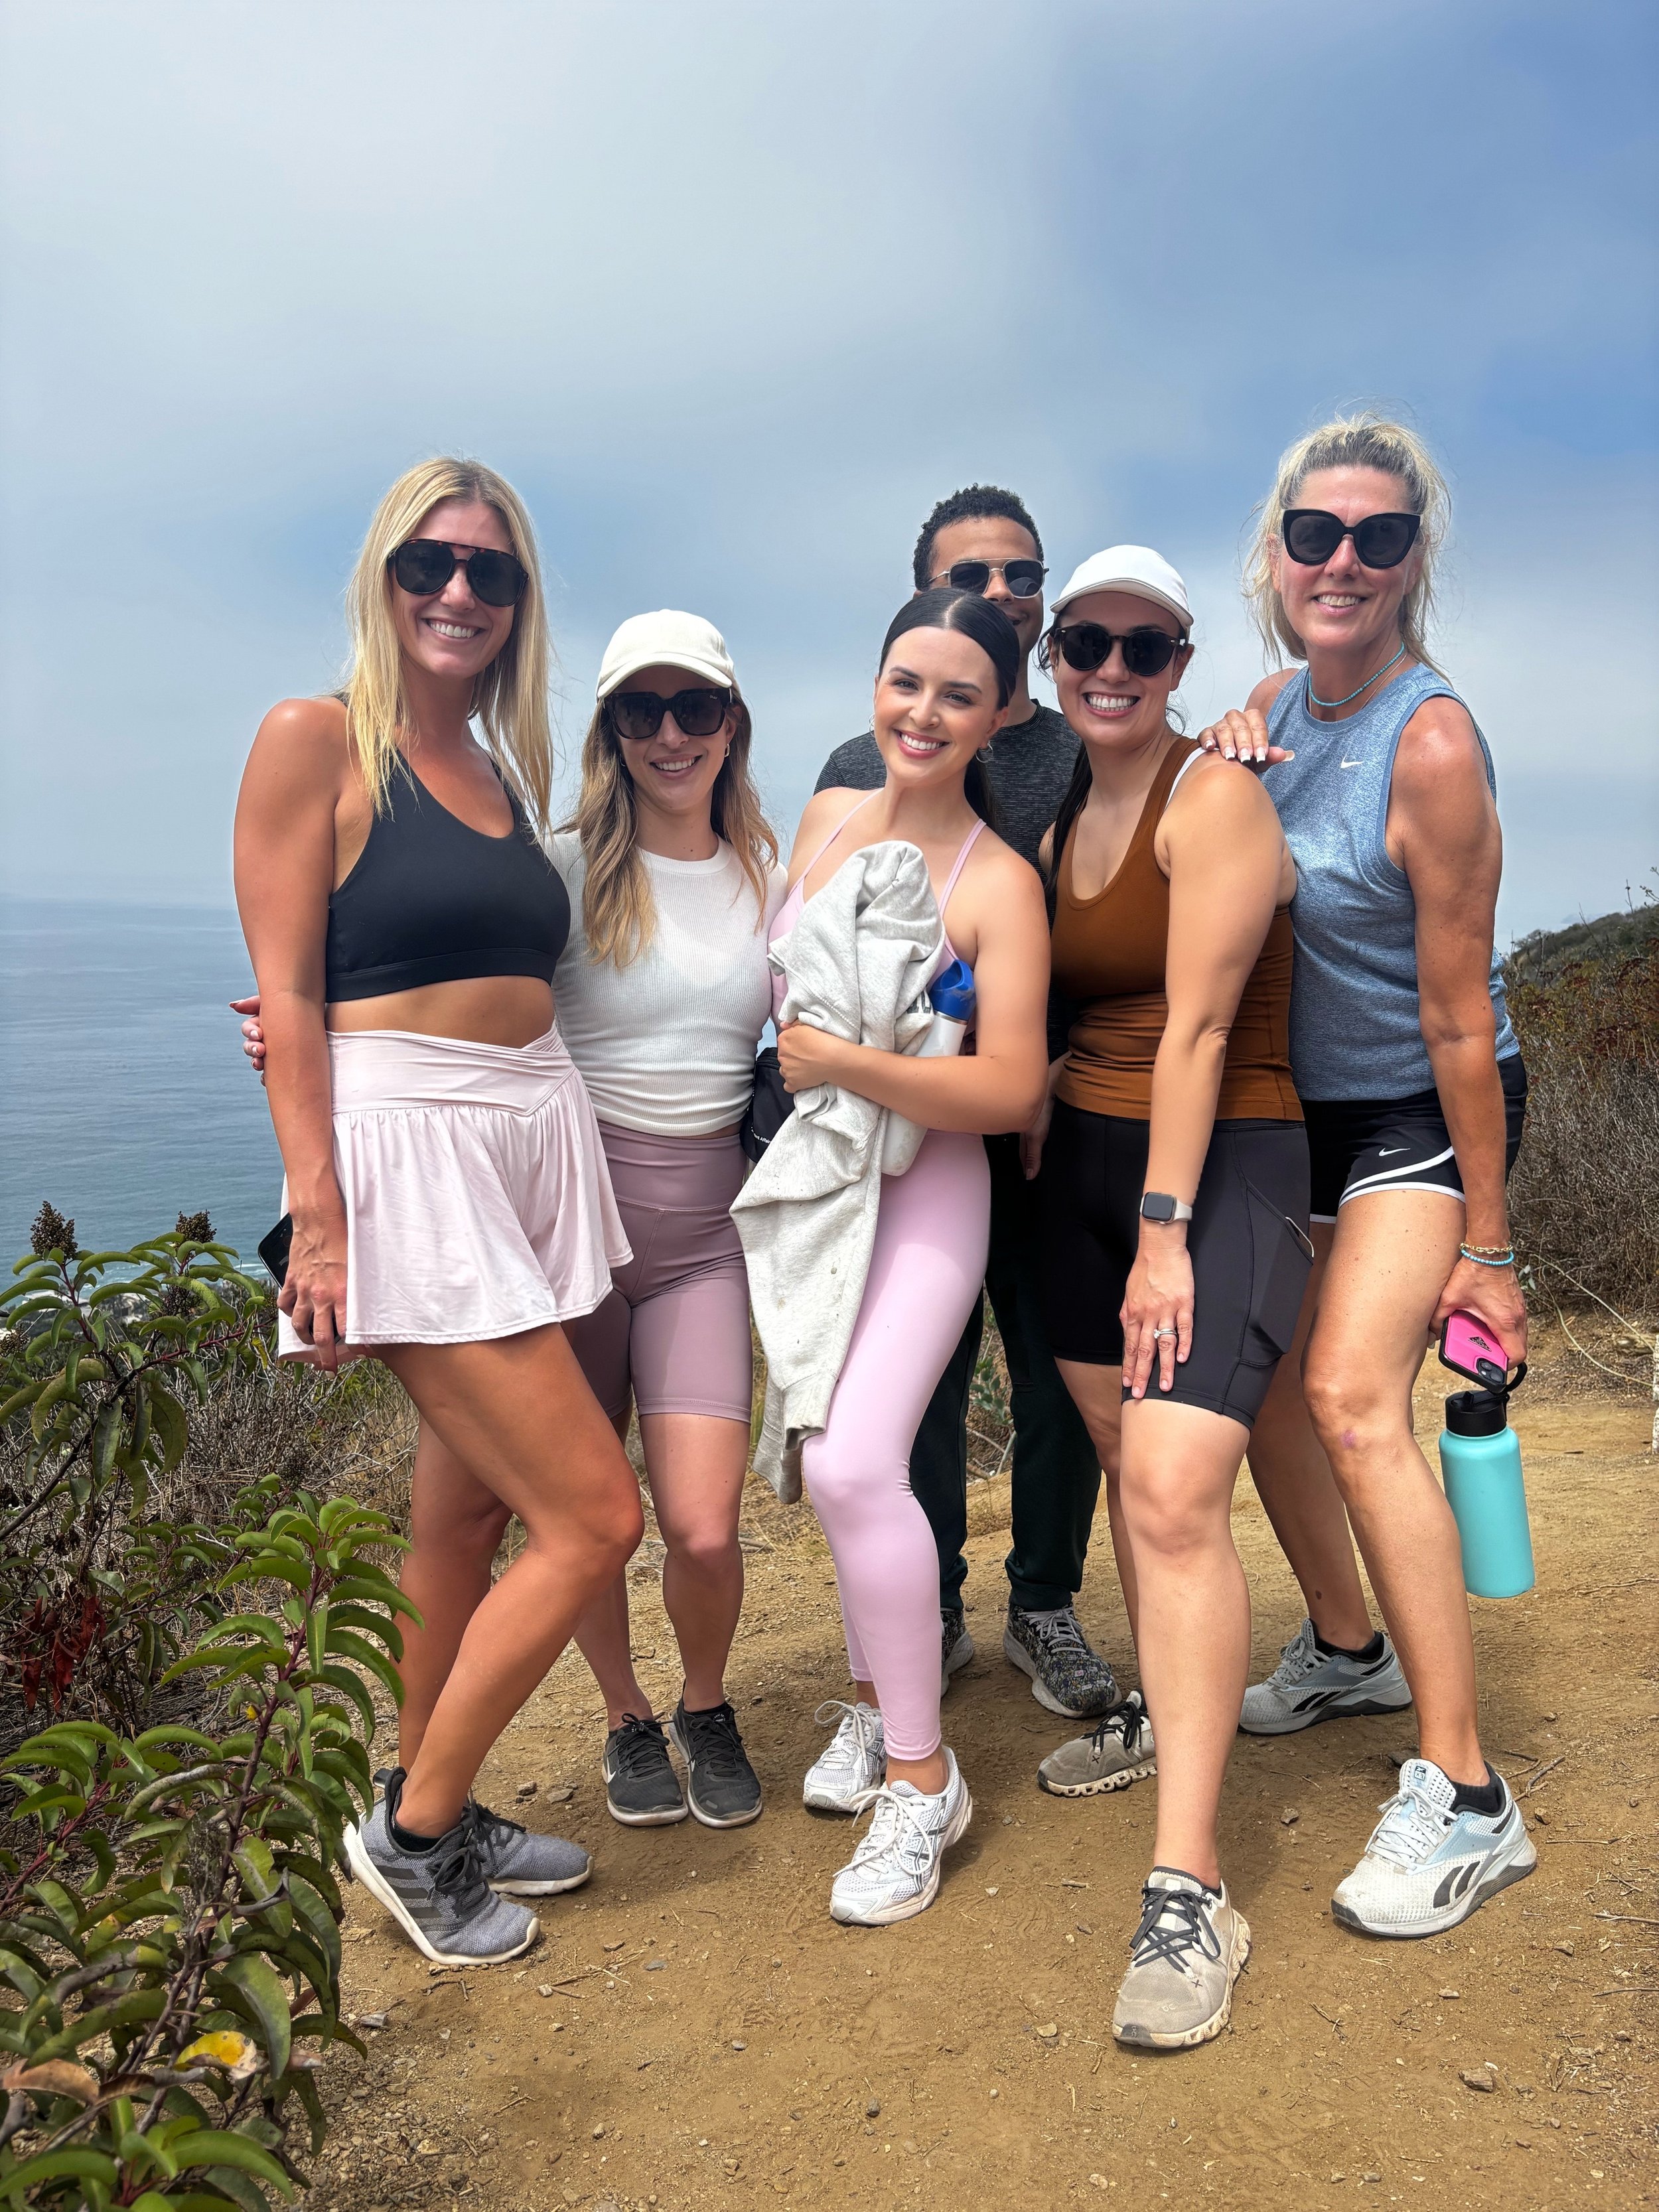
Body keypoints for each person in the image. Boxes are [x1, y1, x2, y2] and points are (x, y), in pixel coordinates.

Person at [233, 458, 643, 1969]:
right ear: (382, 575)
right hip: (404, 1159)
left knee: (464, 1507)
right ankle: (409, 1833)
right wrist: (320, 1221)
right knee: (596, 1514)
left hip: (523, 1141)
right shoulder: (312, 738)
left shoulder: (497, 767)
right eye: (430, 563)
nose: (459, 592)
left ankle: (430, 1792)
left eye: (492, 572)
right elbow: (289, 987)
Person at [1197, 413, 1535, 1942]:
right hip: (1298, 1111)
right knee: (1266, 1384)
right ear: (1274, 555)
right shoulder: (1268, 700)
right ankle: (1347, 1642)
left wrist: (1491, 1242)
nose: (1341, 560)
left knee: (1347, 1396)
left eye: (1376, 537)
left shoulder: (1432, 738)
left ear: (1411, 564)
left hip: (1422, 1101)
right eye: (1313, 534)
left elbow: (1460, 1015)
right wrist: (1216, 761)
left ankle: (1466, 1792)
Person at [1024, 547, 1308, 2050]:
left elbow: (1197, 1030)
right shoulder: (1065, 799)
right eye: (1086, 639)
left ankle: (1188, 1885)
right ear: (1055, 654)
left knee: (1181, 1482)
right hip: (1074, 1163)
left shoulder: (1217, 794)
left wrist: (1162, 1231)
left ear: (1182, 656)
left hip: (1218, 1166)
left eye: (1143, 643)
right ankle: (1157, 1703)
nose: (1112, 664)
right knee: (1137, 1478)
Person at [816, 486, 1112, 1722]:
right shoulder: (855, 770)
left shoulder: (1093, 745)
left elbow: (1130, 916)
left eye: (1022, 572)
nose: (1000, 594)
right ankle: (922, 1606)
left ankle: (1043, 1598)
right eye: (970, 576)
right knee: (919, 1386)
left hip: (1057, 1122)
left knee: (1060, 1375)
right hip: (902, 1132)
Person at [777, 588, 1050, 1923]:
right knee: (832, 1468)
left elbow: (1004, 1089)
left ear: (999, 712)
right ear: (871, 683)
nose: (921, 713)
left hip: (930, 1191)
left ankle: (919, 1777)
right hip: (817, 1185)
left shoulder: (996, 879)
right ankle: (885, 1702)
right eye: (903, 681)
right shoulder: (825, 822)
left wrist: (840, 1060)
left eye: (956, 692)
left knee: (852, 1458)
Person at [554, 612, 782, 1831]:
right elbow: (439, 989)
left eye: (694, 707)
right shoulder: (557, 869)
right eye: (640, 710)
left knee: (700, 1521)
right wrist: (301, 1015)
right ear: (611, 730)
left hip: (707, 1233)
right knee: (587, 1518)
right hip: (572, 1233)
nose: (670, 733)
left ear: (731, 723)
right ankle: (624, 1715)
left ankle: (704, 1700)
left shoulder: (769, 874)